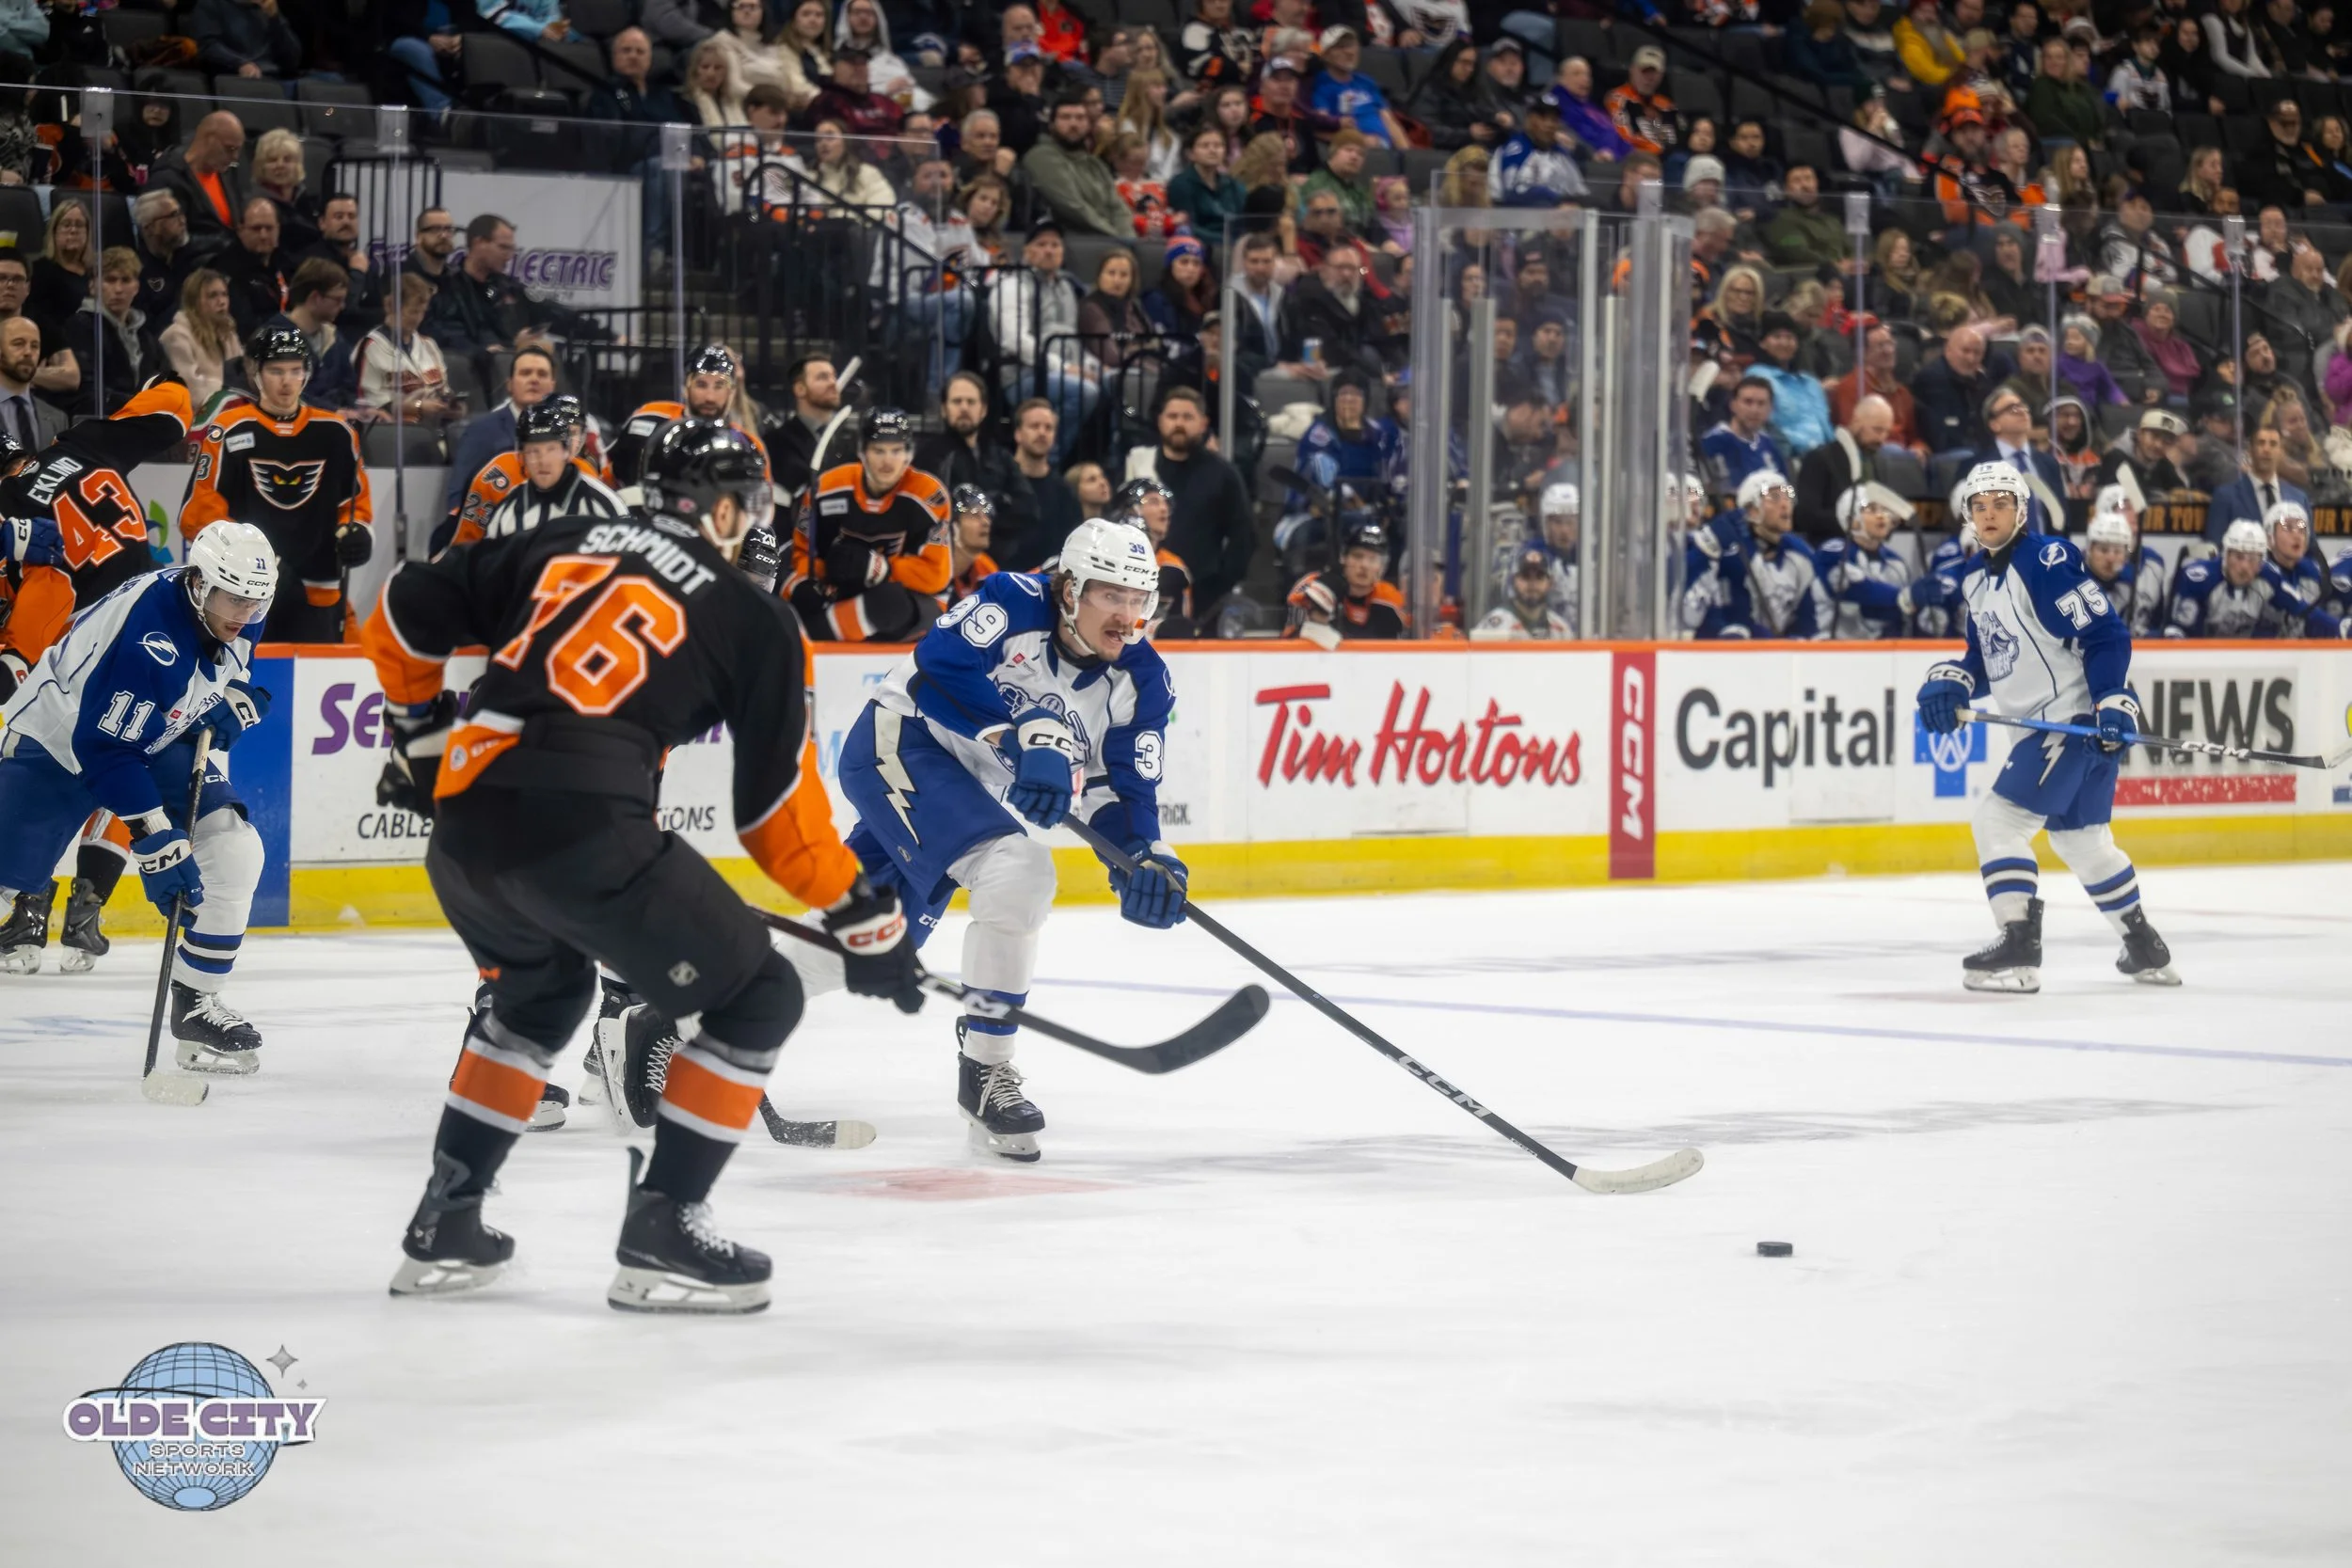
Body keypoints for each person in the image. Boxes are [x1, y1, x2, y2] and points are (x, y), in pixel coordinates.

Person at [363, 418, 915, 1309]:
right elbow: (776, 821)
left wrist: (419, 735)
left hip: (462, 823)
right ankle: (665, 1226)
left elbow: (398, 608)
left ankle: (447, 1219)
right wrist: (865, 915)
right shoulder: (752, 612)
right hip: (582, 820)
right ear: (727, 511)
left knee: (539, 999)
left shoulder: (559, 538)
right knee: (761, 996)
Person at [807, 515, 1177, 1162]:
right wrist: (1014, 739)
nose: (1127, 615)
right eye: (1111, 594)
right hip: (900, 741)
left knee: (874, 936)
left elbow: (1121, 793)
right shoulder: (1013, 600)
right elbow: (936, 668)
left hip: (959, 783)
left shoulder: (1143, 681)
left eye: (1138, 598)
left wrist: (1143, 858)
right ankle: (986, 1067)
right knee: (1019, 868)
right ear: (1070, 589)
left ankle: (682, 1013)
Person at [0, 517, 278, 1063]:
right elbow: (104, 750)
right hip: (56, 743)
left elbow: (237, 655)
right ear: (199, 584)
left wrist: (238, 695)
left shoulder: (235, 599)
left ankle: (196, 1003)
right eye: (233, 600)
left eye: (255, 603)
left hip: (148, 738)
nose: (244, 614)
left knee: (234, 847)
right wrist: (154, 840)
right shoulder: (150, 638)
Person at [1916, 462, 2179, 993]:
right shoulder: (1975, 579)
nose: (1990, 515)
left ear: (2021, 511)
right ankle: (2144, 947)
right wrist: (1955, 680)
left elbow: (2105, 635)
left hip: (2068, 723)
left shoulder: (2044, 560)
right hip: (2060, 729)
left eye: (2001, 504)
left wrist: (2111, 698)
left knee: (1999, 823)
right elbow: (1990, 657)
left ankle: (2019, 947)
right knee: (2082, 840)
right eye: (1980, 506)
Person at [0, 380, 204, 972]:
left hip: (85, 642)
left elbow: (45, 594)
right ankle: (87, 912)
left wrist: (16, 656)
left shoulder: (10, 504)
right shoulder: (85, 442)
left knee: (48, 760)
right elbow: (174, 405)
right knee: (128, 754)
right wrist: (147, 395)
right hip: (160, 620)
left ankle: (27, 912)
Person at [181, 327, 372, 643]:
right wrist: (258, 562)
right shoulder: (229, 429)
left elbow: (354, 504)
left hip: (317, 590)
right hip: (244, 593)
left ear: (307, 374)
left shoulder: (337, 433)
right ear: (256, 373)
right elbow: (197, 514)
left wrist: (358, 531)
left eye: (295, 370)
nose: (287, 381)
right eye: (276, 371)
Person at [786, 407, 953, 642]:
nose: (888, 461)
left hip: (906, 601)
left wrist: (881, 569)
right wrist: (818, 579)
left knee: (890, 601)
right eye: (878, 450)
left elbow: (936, 575)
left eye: (896, 451)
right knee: (789, 584)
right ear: (862, 452)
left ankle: (813, 635)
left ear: (909, 454)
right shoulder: (827, 487)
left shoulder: (928, 496)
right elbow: (801, 556)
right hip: (839, 592)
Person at [602, 343, 773, 512]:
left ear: (732, 392)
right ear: (685, 387)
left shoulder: (746, 446)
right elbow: (608, 477)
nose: (710, 397)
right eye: (701, 384)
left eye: (719, 386)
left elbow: (761, 508)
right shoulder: (648, 418)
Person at [1680, 469, 1831, 640]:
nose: (1785, 504)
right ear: (1752, 510)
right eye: (1774, 497)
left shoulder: (1801, 554)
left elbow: (1808, 620)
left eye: (1787, 496)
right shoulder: (1729, 549)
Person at [447, 394, 599, 549]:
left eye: (574, 433)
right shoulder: (497, 473)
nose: (569, 442)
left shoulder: (587, 473)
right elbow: (467, 543)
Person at [1152, 386, 1252, 613]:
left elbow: (1243, 536)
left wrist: (1218, 586)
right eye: (1172, 416)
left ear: (1203, 423)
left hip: (1203, 596)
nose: (1179, 423)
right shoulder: (1140, 465)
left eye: (1188, 417)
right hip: (1139, 588)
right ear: (1160, 421)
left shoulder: (1223, 474)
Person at [2169, 511, 2345, 638]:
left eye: (2253, 559)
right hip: (2201, 657)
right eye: (2238, 557)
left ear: (2262, 561)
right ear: (2226, 555)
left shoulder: (2270, 575)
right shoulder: (2199, 577)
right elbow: (2176, 631)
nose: (2244, 567)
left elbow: (2305, 611)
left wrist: (2342, 628)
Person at [479, 399, 629, 541]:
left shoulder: (604, 504)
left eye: (551, 450)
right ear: (522, 457)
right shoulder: (506, 511)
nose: (543, 461)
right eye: (533, 452)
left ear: (567, 452)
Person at [1817, 483, 1950, 638]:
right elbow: (1860, 592)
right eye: (1871, 509)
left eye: (1884, 510)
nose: (1881, 515)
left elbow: (1901, 614)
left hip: (1884, 649)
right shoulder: (1833, 552)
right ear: (1850, 519)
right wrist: (1907, 597)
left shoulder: (1896, 563)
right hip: (1835, 647)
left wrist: (1924, 615)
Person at [1024, 90, 1133, 237]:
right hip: (1066, 241)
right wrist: (1115, 237)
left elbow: (1118, 207)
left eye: (1080, 118)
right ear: (1051, 125)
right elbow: (1074, 207)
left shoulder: (1095, 164)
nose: (1073, 124)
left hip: (1107, 241)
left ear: (1088, 125)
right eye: (1065, 117)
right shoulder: (1041, 156)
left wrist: (1129, 239)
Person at [72, 248, 166, 419]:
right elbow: (86, 390)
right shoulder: (82, 326)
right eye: (110, 280)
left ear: (136, 287)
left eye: (126, 280)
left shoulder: (146, 337)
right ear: (93, 286)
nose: (118, 289)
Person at [1288, 515, 1408, 641]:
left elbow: (1410, 642)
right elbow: (1289, 642)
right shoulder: (1313, 586)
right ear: (1343, 558)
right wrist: (1316, 617)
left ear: (1383, 567)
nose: (1364, 565)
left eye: (1373, 559)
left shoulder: (1390, 599)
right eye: (1357, 556)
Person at [148, 112, 250, 259]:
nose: (235, 157)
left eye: (238, 150)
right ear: (209, 140)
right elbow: (164, 241)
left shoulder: (225, 175)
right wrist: (225, 244)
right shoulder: (166, 179)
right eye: (230, 149)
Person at [357, 274, 453, 426]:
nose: (418, 318)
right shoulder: (370, 347)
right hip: (394, 431)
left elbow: (444, 391)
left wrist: (451, 408)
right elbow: (371, 406)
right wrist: (417, 407)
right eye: (413, 311)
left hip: (435, 429)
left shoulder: (429, 345)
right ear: (391, 307)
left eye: (422, 312)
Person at [766, 352, 851, 511]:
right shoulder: (777, 444)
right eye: (822, 377)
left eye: (833, 376)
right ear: (800, 389)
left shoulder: (851, 440)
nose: (833, 383)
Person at [2080, 488, 2170, 638]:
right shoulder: (2078, 567)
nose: (2134, 513)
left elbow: (2157, 622)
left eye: (2135, 507)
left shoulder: (2153, 563)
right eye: (2125, 507)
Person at [1002, 398, 1077, 570]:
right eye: (1034, 426)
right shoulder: (1000, 481)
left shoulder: (1065, 492)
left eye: (1048, 428)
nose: (1042, 432)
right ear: (1018, 433)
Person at [2204, 425, 2310, 540]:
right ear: (2250, 451)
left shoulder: (2299, 499)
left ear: (2281, 452)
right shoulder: (2226, 497)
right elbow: (2215, 544)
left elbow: (2310, 545)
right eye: (2261, 443)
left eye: (2273, 444)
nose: (2266, 450)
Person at [158, 268, 241, 409]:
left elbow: (243, 376)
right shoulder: (176, 336)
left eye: (224, 294)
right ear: (194, 301)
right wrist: (230, 393)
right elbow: (191, 389)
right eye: (212, 296)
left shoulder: (228, 333)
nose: (222, 302)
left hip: (229, 409)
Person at [217, 197, 293, 341]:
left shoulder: (287, 265)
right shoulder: (227, 269)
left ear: (278, 230)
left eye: (269, 228)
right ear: (240, 230)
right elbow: (243, 326)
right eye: (256, 229)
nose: (263, 235)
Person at [1700, 375, 1787, 496]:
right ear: (1733, 405)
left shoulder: (1769, 445)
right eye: (1748, 402)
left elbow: (1787, 489)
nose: (1754, 410)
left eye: (1761, 403)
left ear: (1770, 409)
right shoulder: (1712, 442)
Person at [1472, 545, 1573, 641]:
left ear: (1550, 583)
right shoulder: (1496, 625)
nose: (1533, 583)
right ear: (1513, 581)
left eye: (1539, 577)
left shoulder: (1561, 629)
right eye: (1525, 576)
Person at [132, 189, 195, 336]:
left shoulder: (193, 259)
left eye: (181, 212)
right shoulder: (136, 270)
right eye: (173, 215)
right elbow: (145, 329)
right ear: (149, 228)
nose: (182, 220)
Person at [1603, 43, 1680, 157]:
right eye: (1644, 71)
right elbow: (1625, 137)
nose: (1649, 78)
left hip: (1668, 158)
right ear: (1632, 70)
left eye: (1654, 72)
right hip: (1635, 157)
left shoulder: (1667, 105)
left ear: (1661, 75)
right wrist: (1658, 149)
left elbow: (1681, 136)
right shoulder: (1618, 98)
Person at [189, 0, 302, 76]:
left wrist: (275, 18)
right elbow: (208, 46)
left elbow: (293, 59)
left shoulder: (267, 8)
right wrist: (240, 63)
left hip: (275, 77)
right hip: (236, 77)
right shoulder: (211, 4)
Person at [944, 483, 998, 605]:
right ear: (953, 526)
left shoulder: (986, 569)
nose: (986, 522)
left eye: (986, 515)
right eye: (974, 514)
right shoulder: (931, 565)